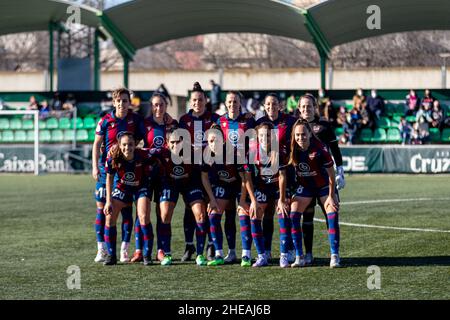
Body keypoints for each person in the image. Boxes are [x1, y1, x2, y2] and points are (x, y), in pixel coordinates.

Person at [91, 87, 146, 263]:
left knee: (126, 211)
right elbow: (96, 144)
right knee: (103, 209)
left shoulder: (135, 119)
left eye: (125, 100)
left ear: (129, 103)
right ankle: (102, 248)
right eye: (119, 101)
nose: (122, 104)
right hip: (106, 171)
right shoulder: (105, 121)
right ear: (114, 102)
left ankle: (124, 249)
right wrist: (94, 166)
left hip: (126, 171)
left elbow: (142, 137)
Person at [284, 119, 341, 268]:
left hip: (323, 187)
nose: (300, 138)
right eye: (297, 135)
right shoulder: (292, 149)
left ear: (309, 134)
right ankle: (299, 256)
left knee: (332, 212)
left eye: (303, 134)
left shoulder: (320, 149)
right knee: (293, 215)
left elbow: (331, 175)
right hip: (306, 188)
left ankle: (334, 255)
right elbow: (285, 173)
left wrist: (331, 195)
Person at [296, 94, 344, 266]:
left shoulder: (323, 125)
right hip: (306, 181)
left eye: (309, 106)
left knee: (331, 214)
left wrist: (340, 170)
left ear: (315, 107)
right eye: (303, 107)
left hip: (325, 179)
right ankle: (308, 254)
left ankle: (334, 255)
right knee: (307, 218)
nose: (306, 109)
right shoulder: (296, 126)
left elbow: (335, 149)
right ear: (299, 108)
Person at [201, 124, 259, 267]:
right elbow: (204, 177)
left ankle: (246, 254)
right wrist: (212, 199)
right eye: (211, 141)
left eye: (217, 140)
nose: (214, 144)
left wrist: (242, 201)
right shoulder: (207, 154)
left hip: (241, 186)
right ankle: (220, 254)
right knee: (213, 214)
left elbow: (245, 178)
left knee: (243, 213)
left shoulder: (234, 153)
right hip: (224, 186)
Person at [130, 92, 178, 263]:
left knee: (164, 213)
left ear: (166, 106)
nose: (158, 108)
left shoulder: (173, 124)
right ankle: (139, 250)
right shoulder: (144, 124)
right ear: (151, 106)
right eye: (155, 105)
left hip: (166, 174)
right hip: (146, 174)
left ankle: (162, 250)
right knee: (142, 213)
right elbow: (134, 147)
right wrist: (148, 151)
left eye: (162, 105)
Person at [151, 127, 209, 266]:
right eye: (172, 142)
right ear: (166, 142)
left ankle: (200, 254)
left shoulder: (194, 152)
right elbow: (141, 152)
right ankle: (167, 253)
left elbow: (212, 147)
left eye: (178, 142)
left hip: (190, 184)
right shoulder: (160, 152)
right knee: (164, 214)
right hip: (170, 184)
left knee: (200, 214)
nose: (175, 145)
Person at [179, 82, 220, 261]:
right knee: (191, 208)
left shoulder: (215, 119)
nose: (198, 103)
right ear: (190, 102)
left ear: (206, 100)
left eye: (201, 100)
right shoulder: (184, 121)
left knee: (210, 208)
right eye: (195, 100)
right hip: (191, 172)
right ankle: (189, 246)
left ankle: (212, 245)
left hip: (211, 172)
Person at [103, 132, 158, 266]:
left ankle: (147, 255)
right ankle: (111, 255)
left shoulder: (144, 155)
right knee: (109, 217)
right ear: (119, 145)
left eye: (131, 144)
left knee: (144, 217)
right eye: (124, 145)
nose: (128, 148)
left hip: (140, 188)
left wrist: (152, 173)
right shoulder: (112, 158)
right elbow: (109, 179)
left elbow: (159, 155)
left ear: (135, 145)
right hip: (122, 189)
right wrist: (108, 201)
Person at [215, 91, 256, 263]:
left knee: (243, 212)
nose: (232, 104)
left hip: (244, 174)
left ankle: (246, 253)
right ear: (225, 103)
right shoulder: (220, 121)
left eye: (235, 101)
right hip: (225, 175)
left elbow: (254, 142)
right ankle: (229, 252)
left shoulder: (248, 121)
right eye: (230, 102)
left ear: (240, 103)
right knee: (225, 214)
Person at [255, 93, 296, 262]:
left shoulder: (290, 121)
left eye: (274, 104)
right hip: (264, 178)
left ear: (280, 105)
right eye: (268, 104)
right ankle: (266, 251)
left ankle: (290, 250)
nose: (271, 107)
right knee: (267, 214)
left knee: (287, 211)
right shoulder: (258, 123)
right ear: (264, 106)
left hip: (286, 173)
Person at [249, 121, 290, 267]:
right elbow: (247, 178)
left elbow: (283, 176)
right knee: (254, 214)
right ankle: (262, 256)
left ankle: (284, 255)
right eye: (261, 135)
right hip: (262, 188)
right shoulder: (252, 151)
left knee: (283, 212)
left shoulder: (279, 151)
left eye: (267, 135)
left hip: (278, 187)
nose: (264, 138)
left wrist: (282, 199)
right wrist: (253, 200)